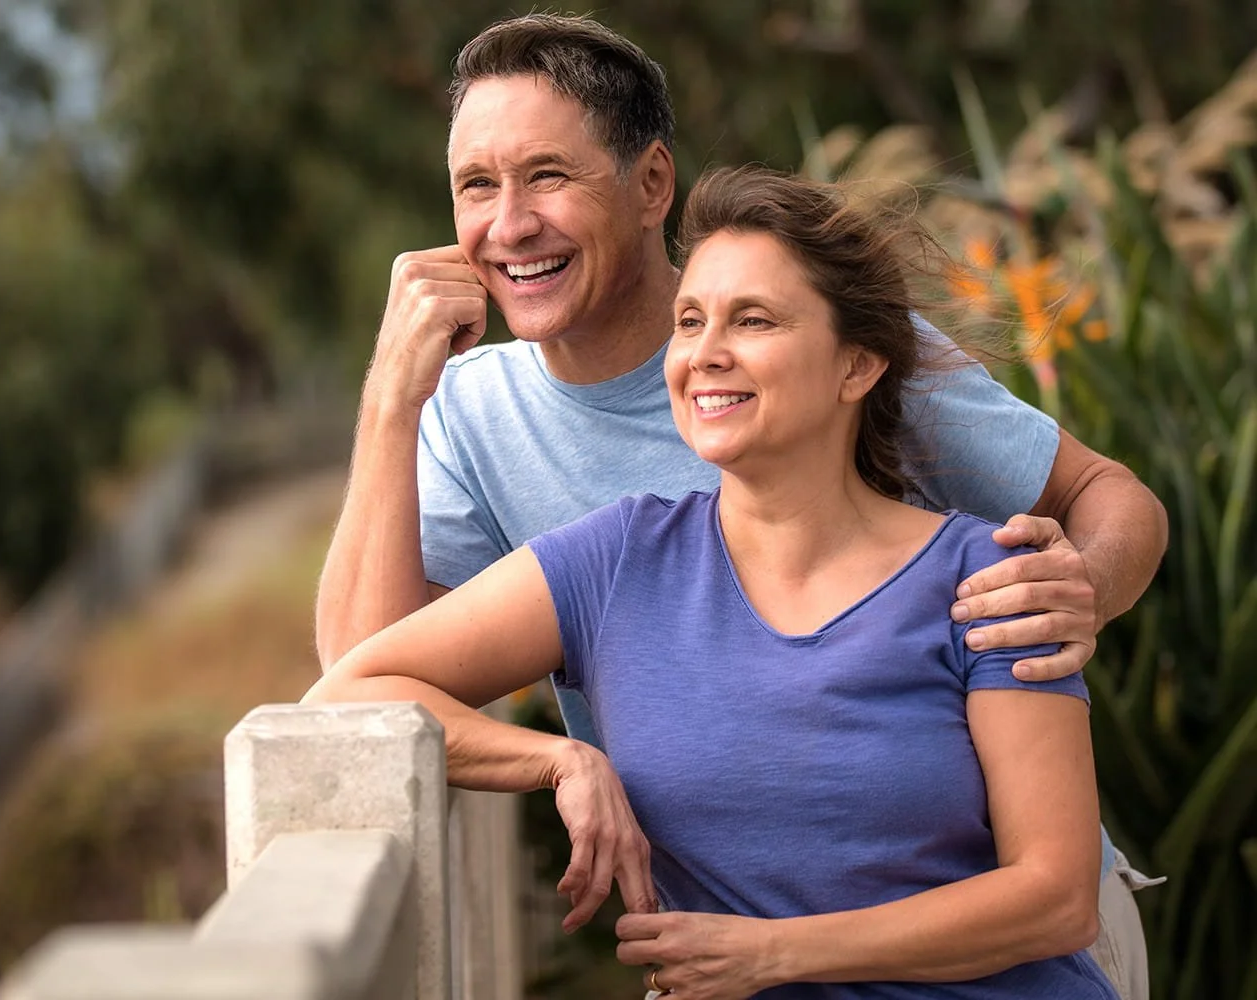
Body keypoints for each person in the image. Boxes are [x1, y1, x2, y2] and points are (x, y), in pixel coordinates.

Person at [312, 15, 1166, 999]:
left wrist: (1074, 596)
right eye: (476, 185)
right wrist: (390, 399)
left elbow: (1107, 494)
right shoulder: (496, 437)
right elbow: (355, 684)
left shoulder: (842, 347)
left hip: (993, 945)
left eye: (547, 174)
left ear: (651, 185)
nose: (508, 225)